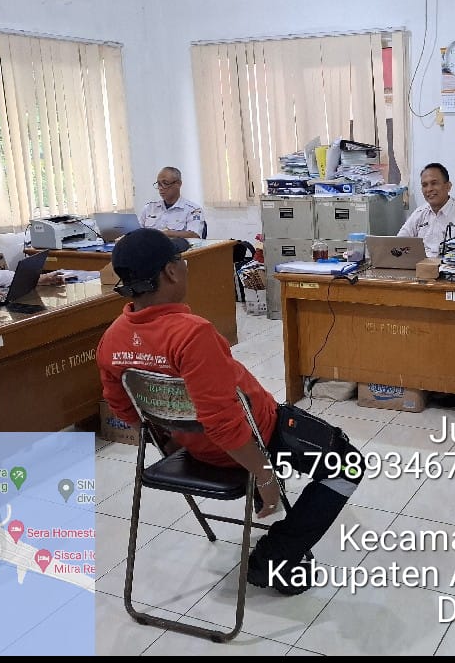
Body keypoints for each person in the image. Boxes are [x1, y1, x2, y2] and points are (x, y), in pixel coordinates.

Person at [96, 228, 363, 595]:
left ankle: (263, 485)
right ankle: (276, 556)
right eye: (181, 261)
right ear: (171, 272)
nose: (185, 267)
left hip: (193, 445)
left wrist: (175, 442)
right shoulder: (192, 334)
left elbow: (125, 410)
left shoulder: (112, 337)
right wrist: (264, 476)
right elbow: (223, 424)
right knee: (348, 465)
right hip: (256, 437)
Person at [397, 163, 455, 257]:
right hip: (421, 264)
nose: (429, 189)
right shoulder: (419, 213)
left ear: (448, 186)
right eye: (424, 185)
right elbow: (398, 242)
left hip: (452, 265)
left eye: (434, 183)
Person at [138, 166, 204, 239]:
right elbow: (137, 232)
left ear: (178, 184)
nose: (160, 188)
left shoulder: (193, 210)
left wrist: (166, 234)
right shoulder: (149, 208)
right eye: (159, 184)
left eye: (165, 183)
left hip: (176, 246)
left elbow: (194, 235)